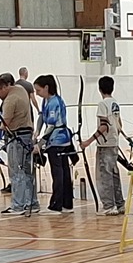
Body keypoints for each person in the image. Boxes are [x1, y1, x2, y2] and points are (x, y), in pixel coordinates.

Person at [0, 72, 38, 216]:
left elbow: (4, 125)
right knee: (27, 171)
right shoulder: (20, 89)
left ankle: (18, 205)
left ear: (4, 87)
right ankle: (31, 203)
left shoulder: (10, 100)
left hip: (17, 138)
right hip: (26, 136)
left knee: (16, 172)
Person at [80, 75, 124, 215]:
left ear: (100, 89)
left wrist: (88, 141)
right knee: (114, 174)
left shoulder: (102, 104)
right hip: (113, 143)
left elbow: (104, 126)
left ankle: (109, 206)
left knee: (104, 176)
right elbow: (119, 124)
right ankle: (120, 204)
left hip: (105, 146)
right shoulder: (114, 103)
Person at [34, 74, 75, 214]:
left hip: (58, 139)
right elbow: (41, 116)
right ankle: (66, 204)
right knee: (62, 171)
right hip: (56, 139)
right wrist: (37, 131)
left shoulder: (55, 102)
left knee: (59, 172)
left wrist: (40, 143)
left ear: (46, 87)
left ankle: (57, 205)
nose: (37, 93)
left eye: (39, 90)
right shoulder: (46, 101)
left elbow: (51, 125)